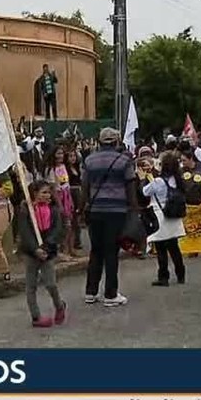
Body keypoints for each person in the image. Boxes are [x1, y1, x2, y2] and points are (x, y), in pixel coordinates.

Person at [81, 127, 139, 307]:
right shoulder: (124, 160)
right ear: (117, 142)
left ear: (99, 142)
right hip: (116, 211)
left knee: (96, 250)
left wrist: (83, 208)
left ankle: (91, 292)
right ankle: (110, 294)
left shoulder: (89, 160)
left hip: (95, 210)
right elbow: (130, 186)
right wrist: (134, 209)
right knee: (111, 252)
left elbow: (85, 186)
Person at [15, 180, 67, 327]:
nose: (47, 195)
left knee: (50, 283)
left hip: (48, 252)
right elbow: (25, 232)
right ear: (34, 194)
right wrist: (35, 249)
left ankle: (59, 306)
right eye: (44, 192)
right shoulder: (26, 211)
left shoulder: (54, 210)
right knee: (31, 286)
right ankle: (36, 316)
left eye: (49, 192)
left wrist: (46, 247)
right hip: (30, 253)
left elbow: (57, 230)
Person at [143, 153, 187, 286]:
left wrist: (143, 178)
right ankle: (181, 274)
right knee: (174, 248)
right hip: (174, 215)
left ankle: (163, 276)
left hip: (161, 216)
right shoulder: (177, 180)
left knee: (161, 248)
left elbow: (145, 191)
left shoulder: (159, 181)